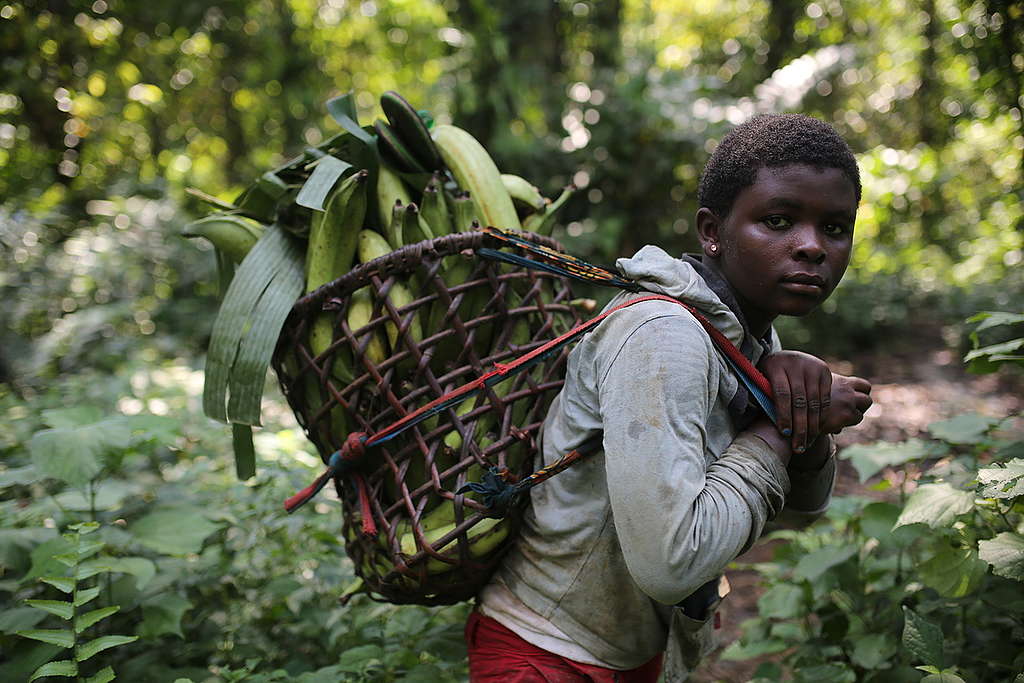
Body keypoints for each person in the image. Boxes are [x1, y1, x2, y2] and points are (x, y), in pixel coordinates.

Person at [465, 113, 874, 682]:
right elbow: (671, 563)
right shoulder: (664, 335)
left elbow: (806, 508)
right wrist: (777, 430)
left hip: (633, 654)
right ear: (712, 230)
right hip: (545, 653)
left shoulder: (746, 333)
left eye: (835, 227)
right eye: (777, 220)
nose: (810, 246)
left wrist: (802, 410)